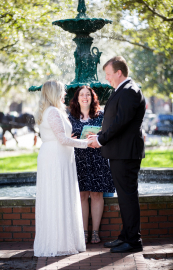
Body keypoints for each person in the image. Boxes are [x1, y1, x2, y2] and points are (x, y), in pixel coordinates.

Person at [88, 56, 146, 253]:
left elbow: (120, 123)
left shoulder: (130, 91)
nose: (107, 79)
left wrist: (101, 139)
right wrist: (100, 134)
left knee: (128, 197)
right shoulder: (121, 90)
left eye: (109, 75)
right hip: (120, 152)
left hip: (126, 153)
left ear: (119, 73)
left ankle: (134, 241)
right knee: (124, 197)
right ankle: (125, 236)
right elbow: (114, 121)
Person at [34, 80, 93, 257]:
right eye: (62, 90)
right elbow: (62, 139)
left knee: (61, 196)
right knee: (57, 196)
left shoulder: (54, 111)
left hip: (60, 156)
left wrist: (71, 138)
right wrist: (86, 143)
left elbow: (61, 136)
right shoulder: (52, 112)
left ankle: (63, 240)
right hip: (55, 158)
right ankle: (58, 242)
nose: (64, 93)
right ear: (54, 93)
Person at [68, 85, 115, 244]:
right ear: (77, 98)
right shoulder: (70, 117)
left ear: (93, 98)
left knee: (96, 194)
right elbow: (65, 137)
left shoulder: (101, 115)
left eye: (88, 94)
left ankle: (95, 231)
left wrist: (99, 137)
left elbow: (108, 134)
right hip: (79, 159)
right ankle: (84, 232)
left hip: (97, 158)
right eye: (82, 94)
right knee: (81, 195)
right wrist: (70, 137)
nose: (85, 97)